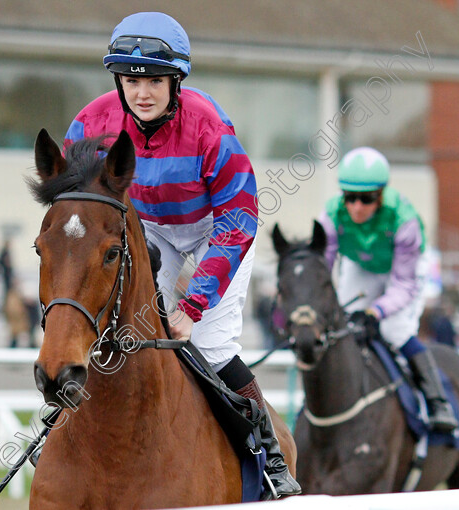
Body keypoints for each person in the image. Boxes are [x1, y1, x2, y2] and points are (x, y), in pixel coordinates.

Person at [64, 12, 298, 498]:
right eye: (132, 80)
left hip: (219, 230)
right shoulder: (91, 123)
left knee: (210, 344)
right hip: (151, 229)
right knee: (126, 329)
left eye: (154, 80)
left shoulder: (209, 127)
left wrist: (193, 306)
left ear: (176, 81)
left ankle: (270, 454)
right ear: (118, 79)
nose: (142, 92)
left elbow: (239, 220)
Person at [317, 147, 459, 433]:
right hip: (360, 265)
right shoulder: (330, 215)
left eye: (366, 198)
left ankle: (437, 401)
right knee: (345, 327)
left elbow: (403, 284)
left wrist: (375, 311)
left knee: (394, 330)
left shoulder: (403, 219)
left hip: (404, 271)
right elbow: (323, 268)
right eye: (349, 197)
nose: (356, 207)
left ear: (381, 194)